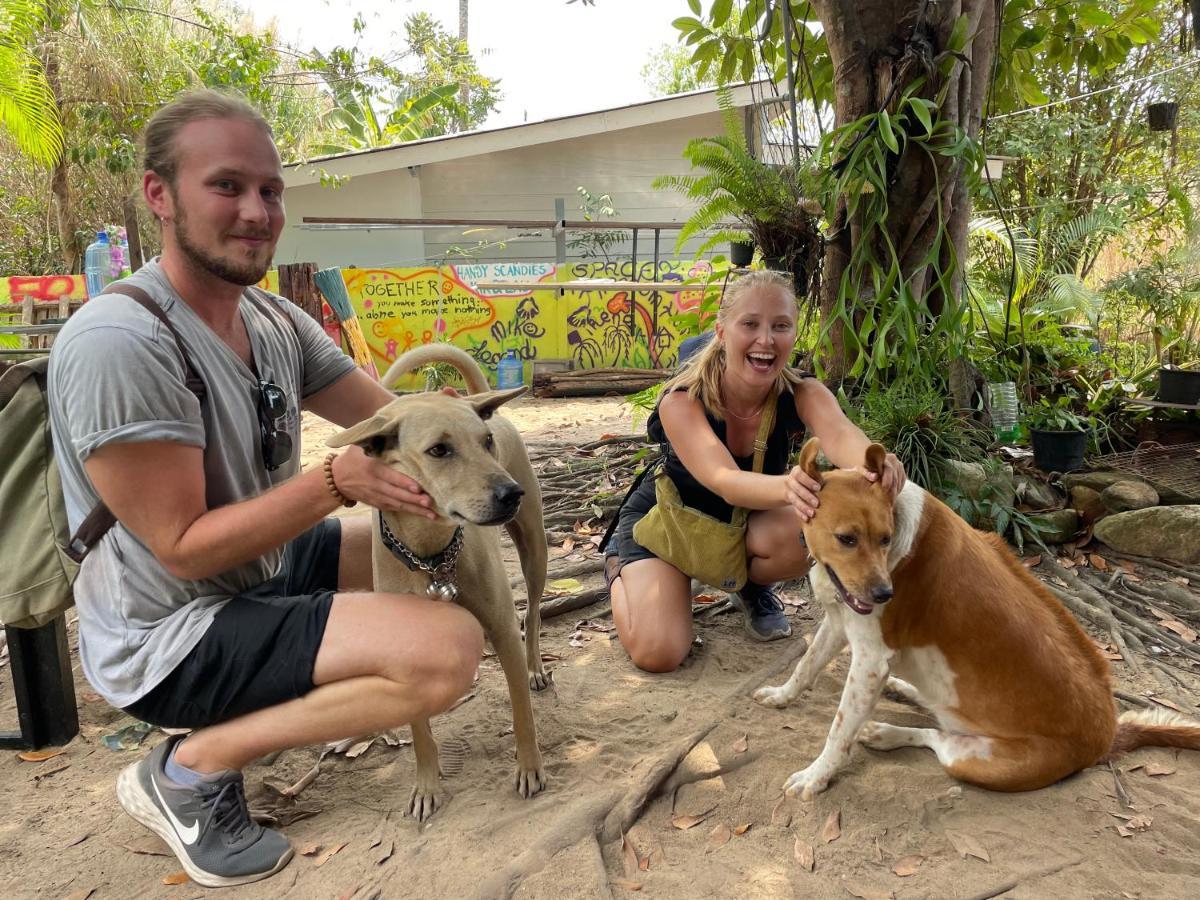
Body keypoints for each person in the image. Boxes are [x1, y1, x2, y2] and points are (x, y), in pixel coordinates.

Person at [46, 90, 483, 888]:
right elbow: (181, 551)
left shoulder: (274, 319)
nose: (257, 211)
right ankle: (188, 771)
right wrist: (332, 484)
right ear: (159, 195)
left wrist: (479, 459)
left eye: (271, 190)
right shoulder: (122, 342)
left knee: (421, 547)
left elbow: (394, 417)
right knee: (447, 653)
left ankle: (292, 681)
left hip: (260, 569)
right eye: (227, 186)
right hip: (167, 635)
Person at [605, 270, 906, 673]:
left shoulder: (803, 392)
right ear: (722, 332)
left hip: (739, 527)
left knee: (803, 531)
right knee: (658, 653)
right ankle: (620, 568)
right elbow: (725, 480)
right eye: (750, 324)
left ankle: (749, 587)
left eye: (780, 326)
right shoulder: (681, 401)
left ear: (795, 335)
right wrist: (790, 486)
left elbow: (841, 434)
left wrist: (875, 462)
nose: (766, 339)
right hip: (668, 530)